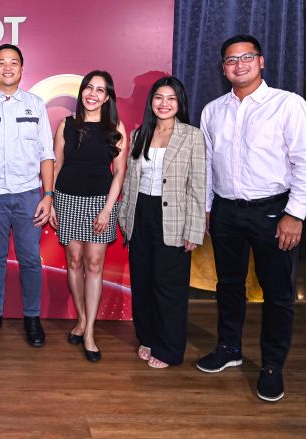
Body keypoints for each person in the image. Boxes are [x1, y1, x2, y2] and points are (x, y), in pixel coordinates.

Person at [198, 34, 306, 401]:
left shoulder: (287, 105)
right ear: (223, 68)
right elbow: (207, 165)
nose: (239, 65)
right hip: (225, 211)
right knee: (229, 285)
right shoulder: (213, 111)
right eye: (231, 60)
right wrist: (207, 208)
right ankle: (229, 348)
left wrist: (295, 214)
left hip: (273, 212)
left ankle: (271, 365)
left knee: (278, 293)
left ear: (261, 61)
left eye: (246, 57)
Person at [0, 43, 55, 347]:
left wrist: (47, 195)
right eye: (1, 62)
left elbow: (46, 153)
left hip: (29, 195)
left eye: (13, 62)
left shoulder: (35, 105)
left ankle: (32, 317)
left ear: (21, 69)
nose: (7, 67)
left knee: (30, 259)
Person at [117, 76, 205, 368]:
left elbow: (198, 186)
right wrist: (125, 218)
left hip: (174, 218)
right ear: (151, 101)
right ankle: (148, 337)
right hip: (140, 213)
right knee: (142, 282)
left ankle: (169, 349)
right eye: (158, 97)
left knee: (169, 287)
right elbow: (130, 181)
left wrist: (194, 229)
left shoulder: (192, 136)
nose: (164, 103)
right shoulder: (139, 133)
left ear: (180, 102)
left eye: (171, 98)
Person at [49, 71, 127, 362]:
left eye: (100, 90)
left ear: (107, 98)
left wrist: (108, 209)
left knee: (94, 265)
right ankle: (81, 320)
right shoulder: (66, 124)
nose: (93, 94)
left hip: (100, 203)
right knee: (74, 262)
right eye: (89, 88)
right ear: (81, 91)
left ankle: (90, 332)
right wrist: (51, 200)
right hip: (67, 199)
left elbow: (119, 173)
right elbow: (56, 165)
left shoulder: (115, 127)